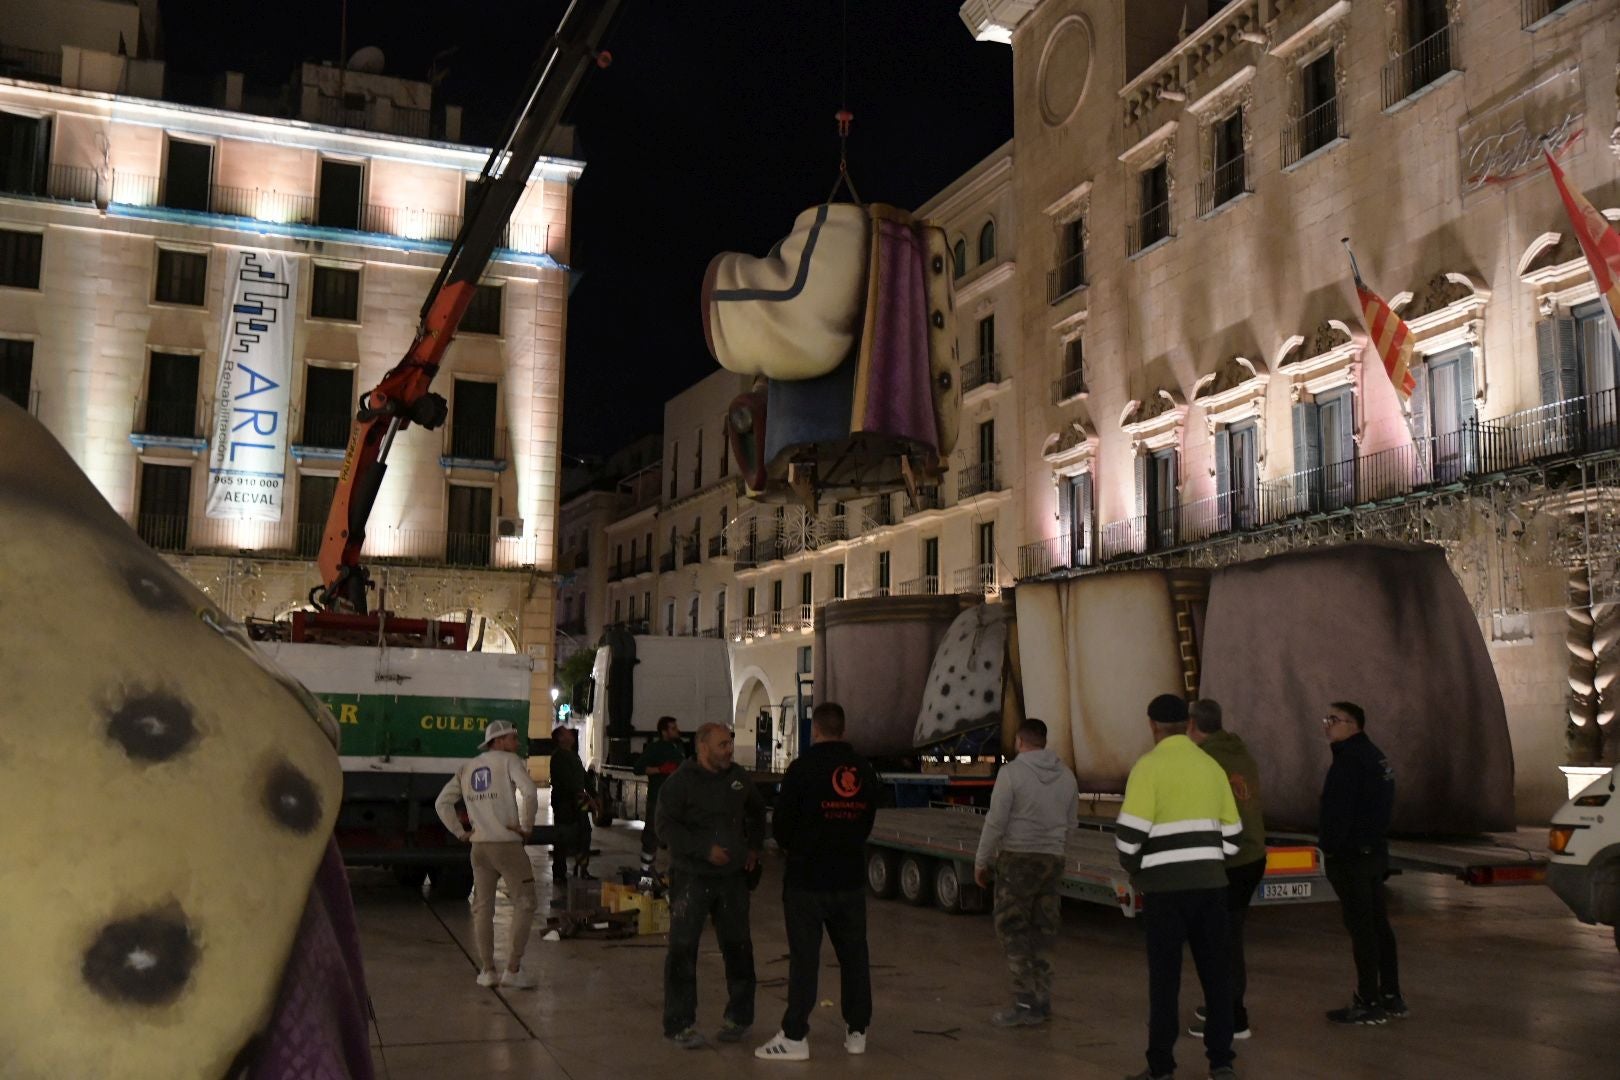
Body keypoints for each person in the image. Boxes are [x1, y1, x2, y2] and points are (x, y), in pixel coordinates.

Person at [1117, 694, 1242, 1080]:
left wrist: (1140, 869)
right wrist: (1205, 861)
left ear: (1152, 725)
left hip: (1165, 894)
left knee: (1165, 982)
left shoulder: (1148, 768)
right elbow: (1234, 836)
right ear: (1188, 723)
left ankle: (1161, 1067)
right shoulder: (1210, 767)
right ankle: (1221, 1063)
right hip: (1211, 889)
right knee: (1217, 978)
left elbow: (1128, 839)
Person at [755, 703, 880, 1061]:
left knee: (805, 959)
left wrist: (800, 846)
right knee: (854, 956)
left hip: (807, 881)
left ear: (816, 730)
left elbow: (781, 826)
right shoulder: (863, 769)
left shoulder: (802, 769)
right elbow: (868, 819)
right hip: (850, 879)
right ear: (843, 729)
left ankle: (795, 1036)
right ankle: (857, 1031)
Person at [656, 723, 767, 1049]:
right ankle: (679, 1024)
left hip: (732, 879)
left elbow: (757, 811)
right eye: (722, 745)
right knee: (682, 950)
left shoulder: (738, 778)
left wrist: (754, 847)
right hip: (692, 877)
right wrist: (704, 849)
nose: (729, 750)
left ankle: (739, 1017)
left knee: (738, 947)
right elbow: (664, 827)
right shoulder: (680, 783)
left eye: (730, 744)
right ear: (703, 747)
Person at [972, 718, 1079, 1028]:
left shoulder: (1011, 774)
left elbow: (996, 821)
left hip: (1017, 860)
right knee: (1044, 929)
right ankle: (1043, 1001)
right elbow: (1072, 824)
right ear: (1044, 741)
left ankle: (1023, 1002)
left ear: (1019, 742)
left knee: (1012, 929)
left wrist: (981, 860)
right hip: (1052, 860)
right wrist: (1057, 851)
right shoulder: (1067, 776)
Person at [432, 720, 540, 989]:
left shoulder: (467, 768)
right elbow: (529, 791)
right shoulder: (509, 761)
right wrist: (527, 826)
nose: (517, 743)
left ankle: (487, 970)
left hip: (479, 848)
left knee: (482, 908)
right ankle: (513, 969)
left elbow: (442, 803)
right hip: (506, 846)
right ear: (499, 741)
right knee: (525, 902)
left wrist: (460, 832)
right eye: (513, 738)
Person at [1318, 700, 1405, 1025]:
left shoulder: (1350, 762)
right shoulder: (1374, 756)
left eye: (1334, 719)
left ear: (1353, 725)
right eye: (1327, 719)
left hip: (1352, 857)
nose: (1328, 725)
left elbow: (1339, 811)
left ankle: (1368, 1001)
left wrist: (1331, 848)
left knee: (1363, 929)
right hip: (1373, 852)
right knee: (1378, 925)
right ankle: (1390, 995)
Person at [1185, 698, 1266, 1042]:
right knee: (1228, 938)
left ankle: (1232, 1019)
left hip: (1227, 862)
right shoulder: (1239, 752)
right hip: (1252, 856)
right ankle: (1222, 1004)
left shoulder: (1205, 761)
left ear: (1192, 726)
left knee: (1220, 944)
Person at [634, 715, 687, 884]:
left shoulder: (678, 747)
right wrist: (660, 769)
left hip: (676, 801)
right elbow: (638, 768)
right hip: (658, 800)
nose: (677, 730)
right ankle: (645, 878)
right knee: (651, 836)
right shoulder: (655, 748)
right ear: (664, 732)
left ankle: (667, 876)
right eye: (673, 728)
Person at [548, 726, 598, 883]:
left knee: (584, 834)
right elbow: (568, 783)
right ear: (560, 739)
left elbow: (584, 778)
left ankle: (582, 868)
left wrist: (595, 796)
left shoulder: (573, 756)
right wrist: (587, 798)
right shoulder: (559, 757)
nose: (571, 733)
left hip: (578, 802)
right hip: (564, 803)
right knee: (562, 837)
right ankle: (559, 873)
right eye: (566, 732)